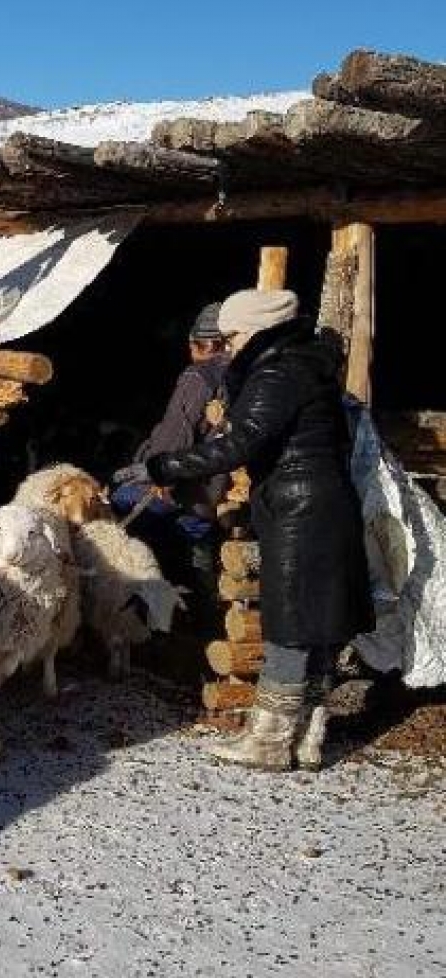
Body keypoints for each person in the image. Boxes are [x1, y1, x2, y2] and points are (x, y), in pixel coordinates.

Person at [139, 288, 373, 770]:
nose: (227, 345)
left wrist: (166, 465)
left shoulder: (276, 372)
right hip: (320, 502)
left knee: (290, 624)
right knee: (317, 624)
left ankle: (268, 740)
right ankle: (307, 736)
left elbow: (239, 445)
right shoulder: (305, 363)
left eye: (232, 335)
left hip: (299, 510)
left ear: (256, 329)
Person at [111, 302, 230, 630]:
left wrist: (155, 471)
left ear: (196, 345)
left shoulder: (199, 376)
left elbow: (175, 435)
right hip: (213, 496)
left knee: (118, 507)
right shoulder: (246, 374)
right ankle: (203, 616)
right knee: (192, 544)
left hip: (186, 492)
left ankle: (132, 618)